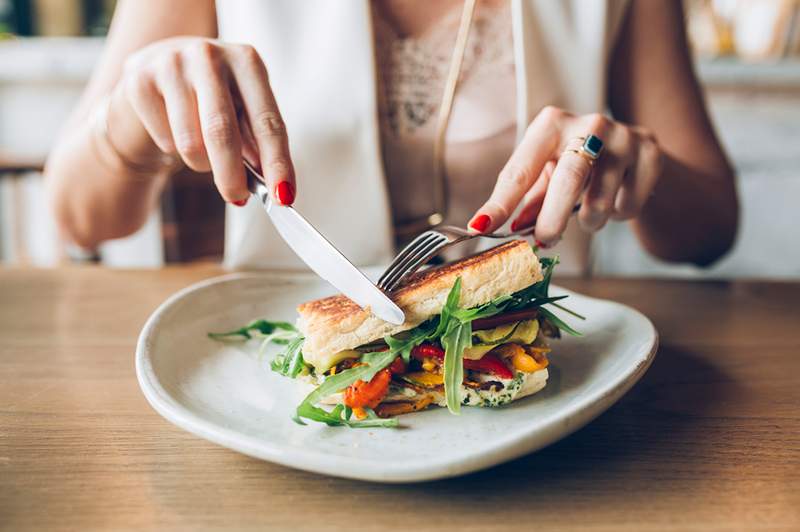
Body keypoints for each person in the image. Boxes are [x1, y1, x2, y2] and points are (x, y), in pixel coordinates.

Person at [45, 0, 738, 274]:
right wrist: (129, 125)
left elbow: (711, 230)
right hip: (286, 392)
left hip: (542, 382)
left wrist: (637, 168)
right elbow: (79, 217)